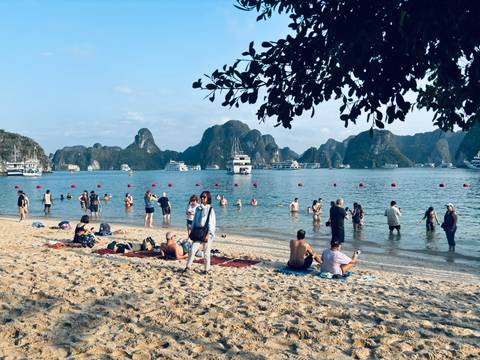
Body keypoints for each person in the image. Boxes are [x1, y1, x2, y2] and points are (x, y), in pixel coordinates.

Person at [185, 190, 216, 274]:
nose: (202, 198)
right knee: (192, 250)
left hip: (206, 232)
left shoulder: (210, 209)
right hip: (198, 232)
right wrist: (192, 231)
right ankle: (188, 267)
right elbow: (195, 220)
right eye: (201, 196)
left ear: (208, 198)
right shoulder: (198, 208)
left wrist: (209, 234)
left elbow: (212, 223)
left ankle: (206, 269)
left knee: (206, 252)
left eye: (204, 197)